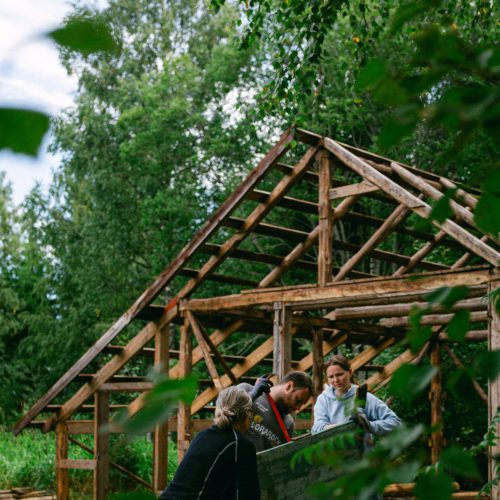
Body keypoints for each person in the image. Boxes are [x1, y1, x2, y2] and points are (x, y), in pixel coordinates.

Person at [159, 386, 260, 500]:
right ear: (247, 413)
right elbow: (249, 494)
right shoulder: (241, 446)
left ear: (218, 409)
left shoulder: (202, 436)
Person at [311, 354, 400, 440]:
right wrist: (347, 426)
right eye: (331, 377)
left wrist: (368, 425)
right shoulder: (323, 399)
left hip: (363, 454)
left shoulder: (364, 397)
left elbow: (395, 423)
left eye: (339, 374)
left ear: (350, 372)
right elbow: (317, 429)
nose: (336, 380)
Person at [239, 371, 313, 452]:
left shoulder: (289, 424)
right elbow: (225, 415)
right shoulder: (246, 390)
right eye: (298, 400)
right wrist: (252, 396)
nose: (298, 408)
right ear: (289, 386)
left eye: (302, 404)